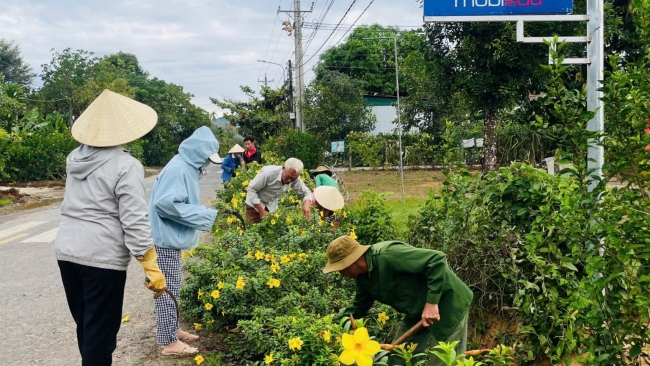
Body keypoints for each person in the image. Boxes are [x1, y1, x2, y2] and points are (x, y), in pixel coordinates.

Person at [55, 89, 167, 366]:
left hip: (67, 251)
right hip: (101, 259)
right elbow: (134, 219)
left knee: (86, 326)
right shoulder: (125, 165)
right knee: (100, 335)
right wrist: (150, 264)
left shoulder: (75, 159)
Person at [323, 236, 473, 366]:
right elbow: (359, 308)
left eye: (340, 268)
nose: (341, 274)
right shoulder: (363, 279)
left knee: (444, 360)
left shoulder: (388, 255)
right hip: (417, 311)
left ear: (350, 262)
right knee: (398, 358)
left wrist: (431, 303)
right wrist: (330, 327)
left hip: (449, 302)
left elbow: (436, 259)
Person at [148, 126, 221, 356]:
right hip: (165, 239)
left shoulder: (186, 166)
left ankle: (172, 330)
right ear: (198, 152)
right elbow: (166, 204)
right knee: (166, 291)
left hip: (170, 237)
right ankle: (169, 343)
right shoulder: (179, 168)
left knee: (172, 288)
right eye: (207, 158)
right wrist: (205, 216)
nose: (207, 163)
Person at [245, 158, 313, 223]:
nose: (290, 181)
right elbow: (251, 189)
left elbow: (307, 193)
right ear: (283, 168)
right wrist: (261, 211)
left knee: (270, 232)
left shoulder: (295, 178)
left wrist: (306, 205)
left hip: (271, 207)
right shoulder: (269, 173)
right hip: (255, 206)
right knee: (254, 231)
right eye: (288, 177)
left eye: (293, 179)